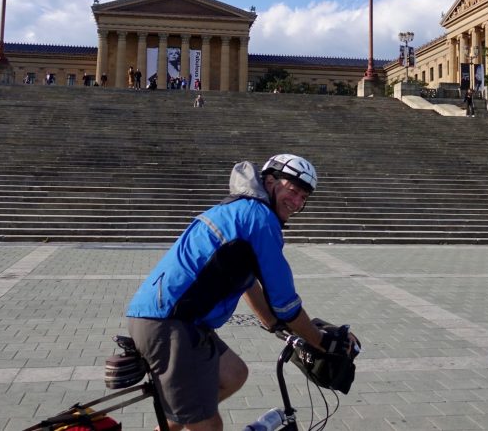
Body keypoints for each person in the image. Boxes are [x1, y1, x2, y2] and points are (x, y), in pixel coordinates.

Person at [126, 155, 358, 431]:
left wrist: (274, 326)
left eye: (303, 197)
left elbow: (246, 282)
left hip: (174, 320)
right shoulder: (260, 219)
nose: (297, 202)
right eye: (293, 190)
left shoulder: (241, 209)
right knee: (209, 425)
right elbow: (285, 303)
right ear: (270, 182)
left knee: (233, 374)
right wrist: (321, 342)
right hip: (170, 324)